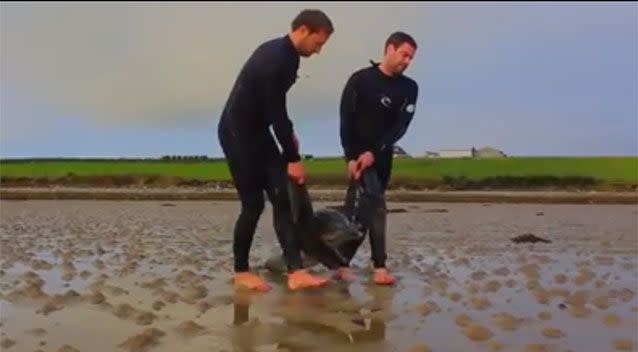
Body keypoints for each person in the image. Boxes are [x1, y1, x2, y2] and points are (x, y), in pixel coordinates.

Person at [217, 9, 334, 291]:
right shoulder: (275, 58)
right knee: (253, 204)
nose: (318, 51)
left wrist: (288, 137)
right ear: (304, 30)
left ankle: (296, 272)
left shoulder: (289, 56)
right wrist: (292, 158)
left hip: (259, 131)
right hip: (236, 133)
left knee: (282, 199)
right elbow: (275, 108)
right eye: (318, 44)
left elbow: (274, 107)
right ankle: (241, 271)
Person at [335, 31, 419, 285]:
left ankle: (339, 262)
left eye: (411, 58)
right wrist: (351, 156)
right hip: (357, 157)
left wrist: (376, 150)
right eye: (404, 54)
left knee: (359, 211)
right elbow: (345, 120)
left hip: (381, 158)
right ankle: (379, 266)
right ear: (389, 49)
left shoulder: (409, 88)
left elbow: (400, 127)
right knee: (376, 205)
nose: (407, 61)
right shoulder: (360, 80)